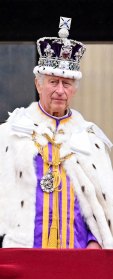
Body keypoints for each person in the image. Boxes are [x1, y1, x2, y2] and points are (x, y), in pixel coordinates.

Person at [0, 16, 113, 249]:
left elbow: (103, 203)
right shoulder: (10, 134)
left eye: (67, 83)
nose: (60, 91)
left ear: (74, 89)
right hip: (24, 251)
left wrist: (95, 241)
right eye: (53, 82)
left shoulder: (90, 139)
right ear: (38, 84)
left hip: (78, 254)